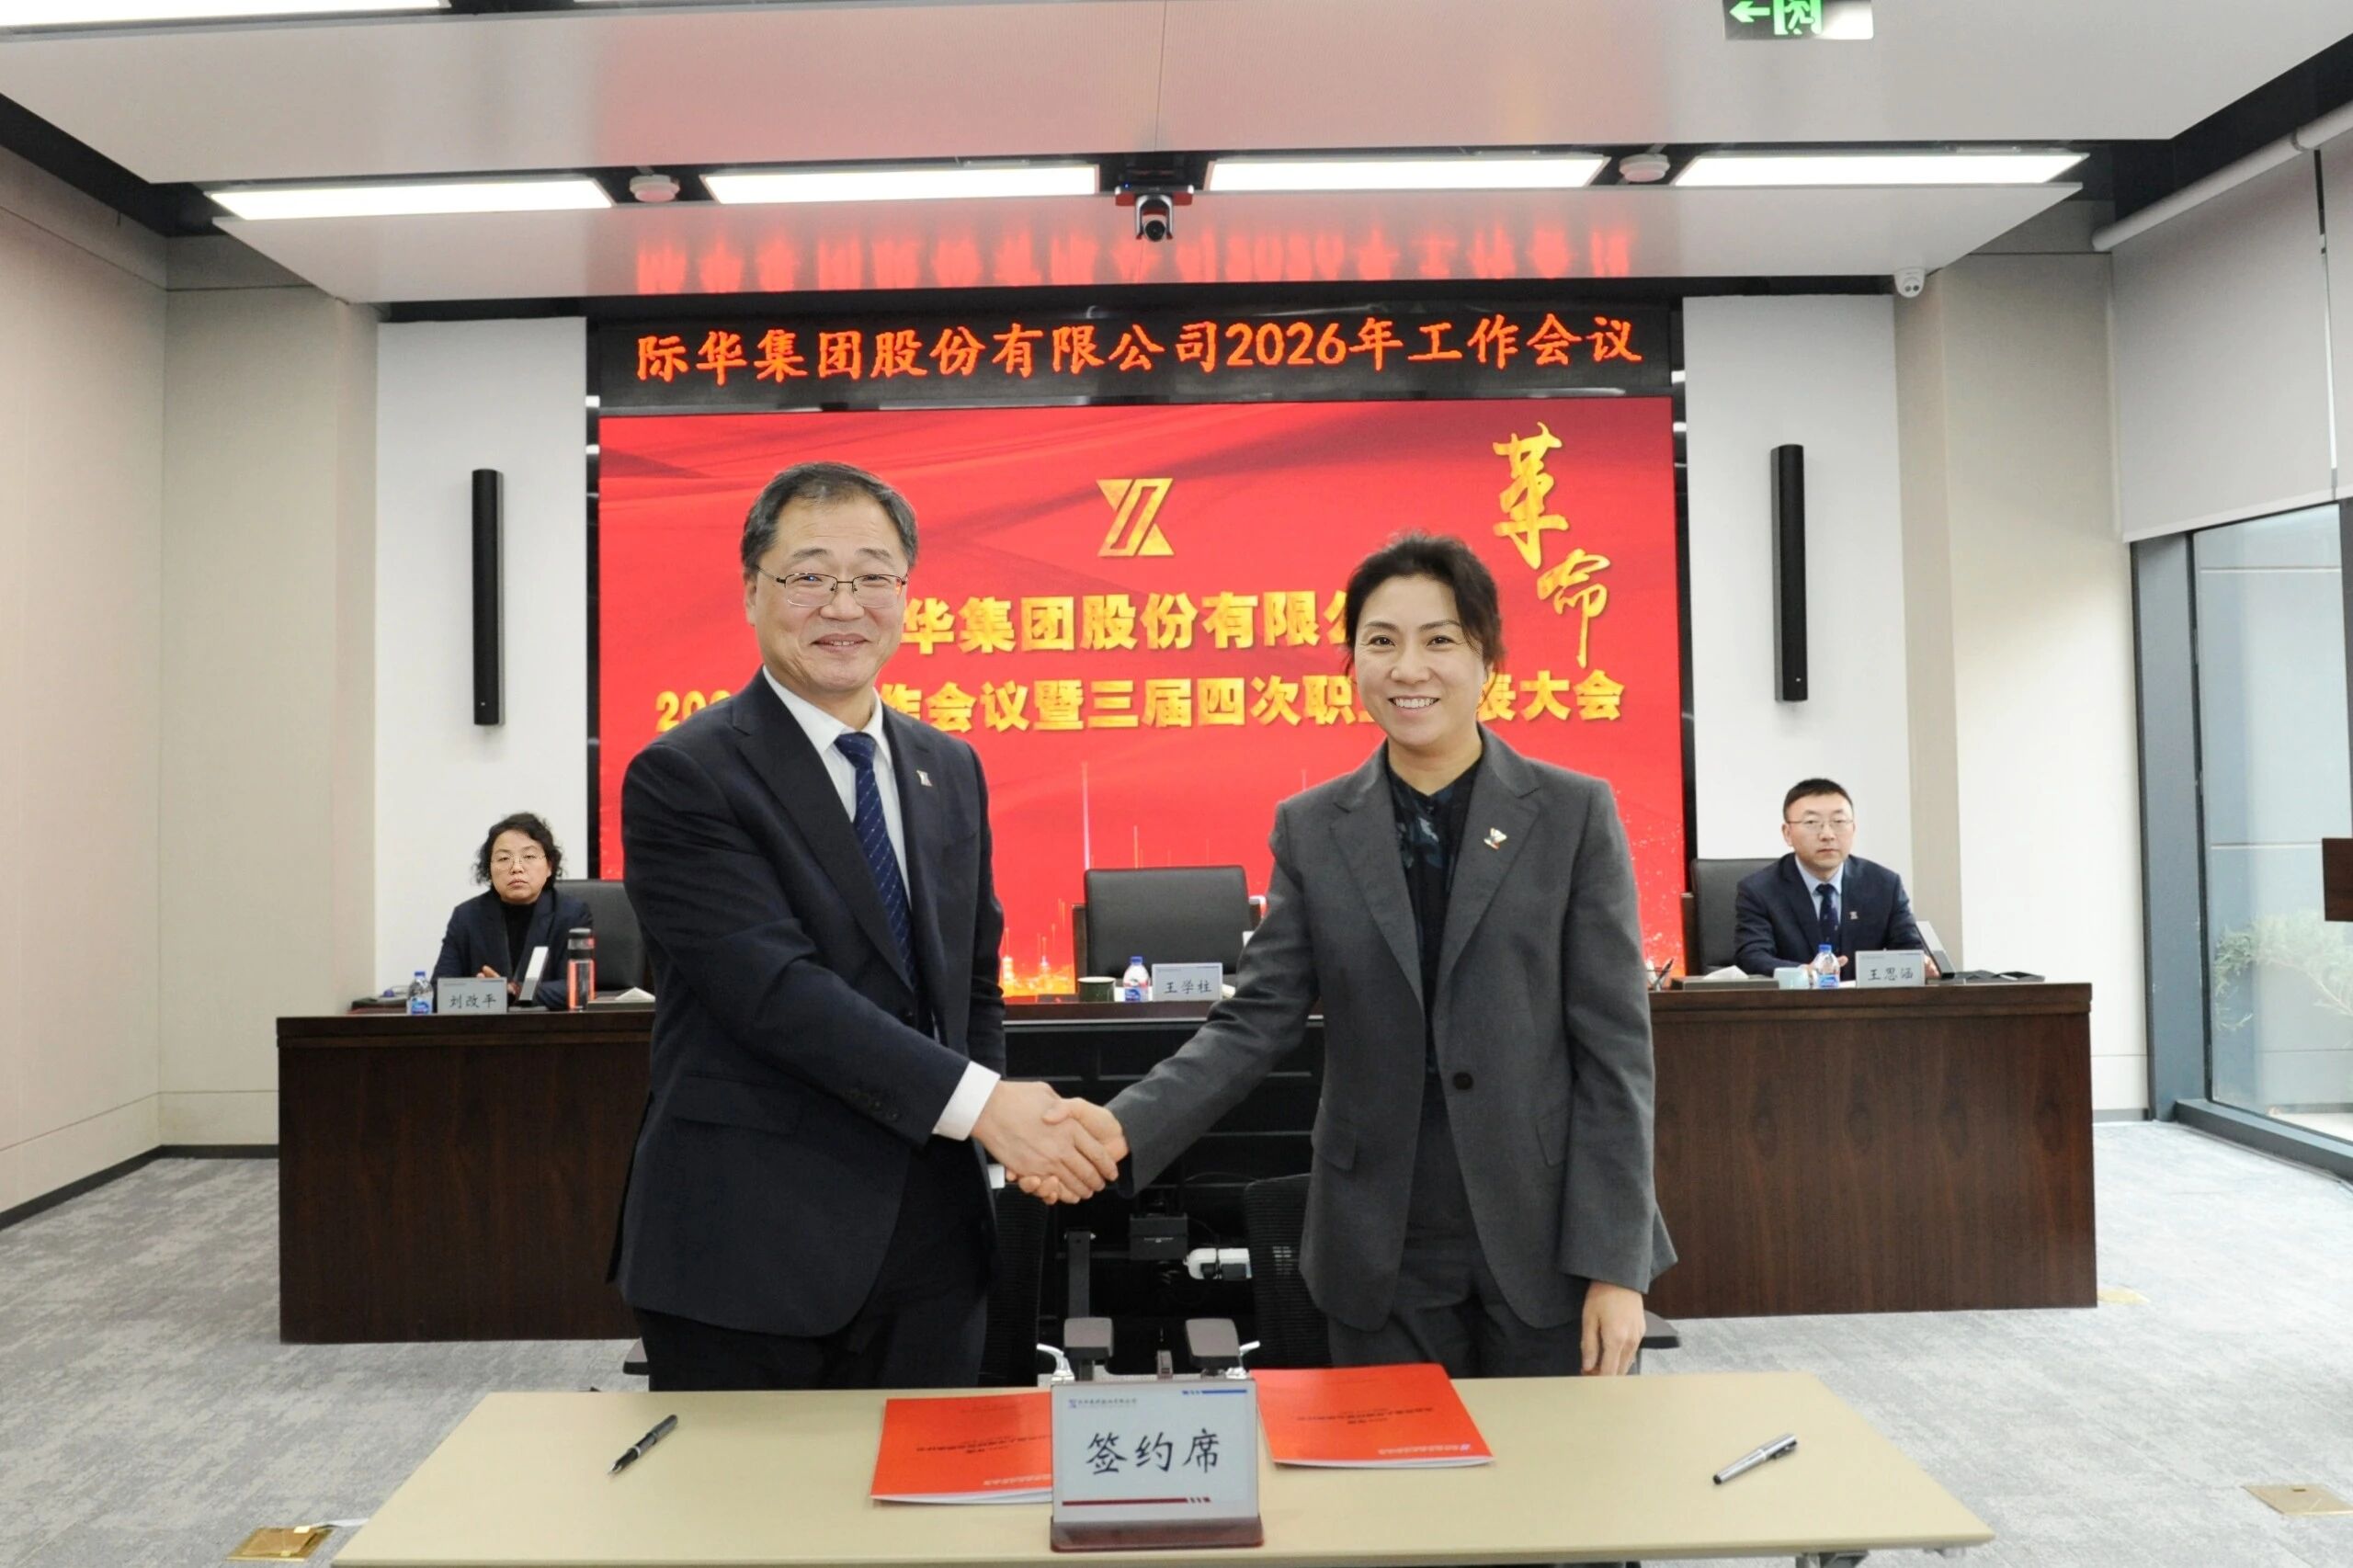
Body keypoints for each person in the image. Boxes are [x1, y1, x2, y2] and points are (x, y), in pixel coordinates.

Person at [1030, 533, 1674, 1380]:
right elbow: (1255, 1021)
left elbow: (1616, 1052)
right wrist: (1120, 1127)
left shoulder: (1572, 813)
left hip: (1546, 1232)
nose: (1409, 668)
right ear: (1353, 663)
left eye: (1439, 640)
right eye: (1381, 641)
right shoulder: (1314, 827)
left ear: (1488, 659)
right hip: (1381, 1239)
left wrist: (1617, 1265)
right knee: (1398, 1462)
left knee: (1555, 1463)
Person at [608, 460, 1123, 1393]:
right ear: (752, 592)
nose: (842, 605)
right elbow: (776, 993)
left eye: (872, 576)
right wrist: (986, 1108)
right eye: (808, 575)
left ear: (905, 595)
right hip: (751, 1247)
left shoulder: (948, 766)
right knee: (757, 1492)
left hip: (933, 1244)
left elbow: (970, 983)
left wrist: (991, 1135)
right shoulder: (685, 774)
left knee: (927, 1484)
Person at [1732, 778, 1936, 976]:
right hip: (1794, 997)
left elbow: (1909, 950)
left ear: (1853, 829)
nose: (1827, 834)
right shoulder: (1759, 890)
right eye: (1812, 822)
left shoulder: (1885, 885)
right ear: (1787, 833)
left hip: (1865, 999)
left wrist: (1922, 964)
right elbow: (1752, 957)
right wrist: (1802, 972)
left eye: (1838, 822)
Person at [431, 812, 591, 1008]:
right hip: (486, 1026)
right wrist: (487, 992)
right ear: (489, 869)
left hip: (549, 1025)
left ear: (549, 866)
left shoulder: (571, 914)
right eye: (503, 858)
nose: (516, 868)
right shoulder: (466, 916)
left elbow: (577, 988)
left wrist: (513, 991)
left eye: (529, 856)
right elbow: (439, 991)